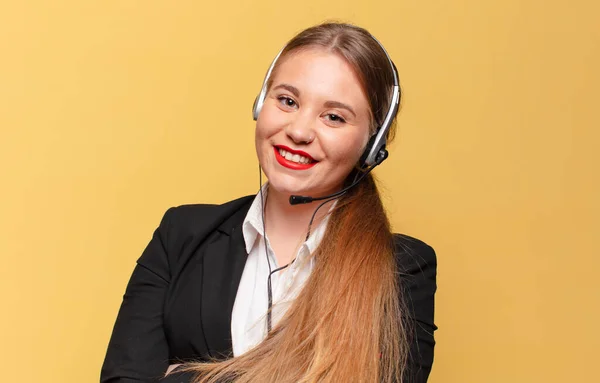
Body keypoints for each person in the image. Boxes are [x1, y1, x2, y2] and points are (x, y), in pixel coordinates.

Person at [101, 22, 437, 383]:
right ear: (261, 104)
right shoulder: (181, 235)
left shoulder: (402, 268)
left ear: (371, 146)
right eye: (288, 101)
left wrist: (182, 375)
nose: (299, 130)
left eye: (334, 117)